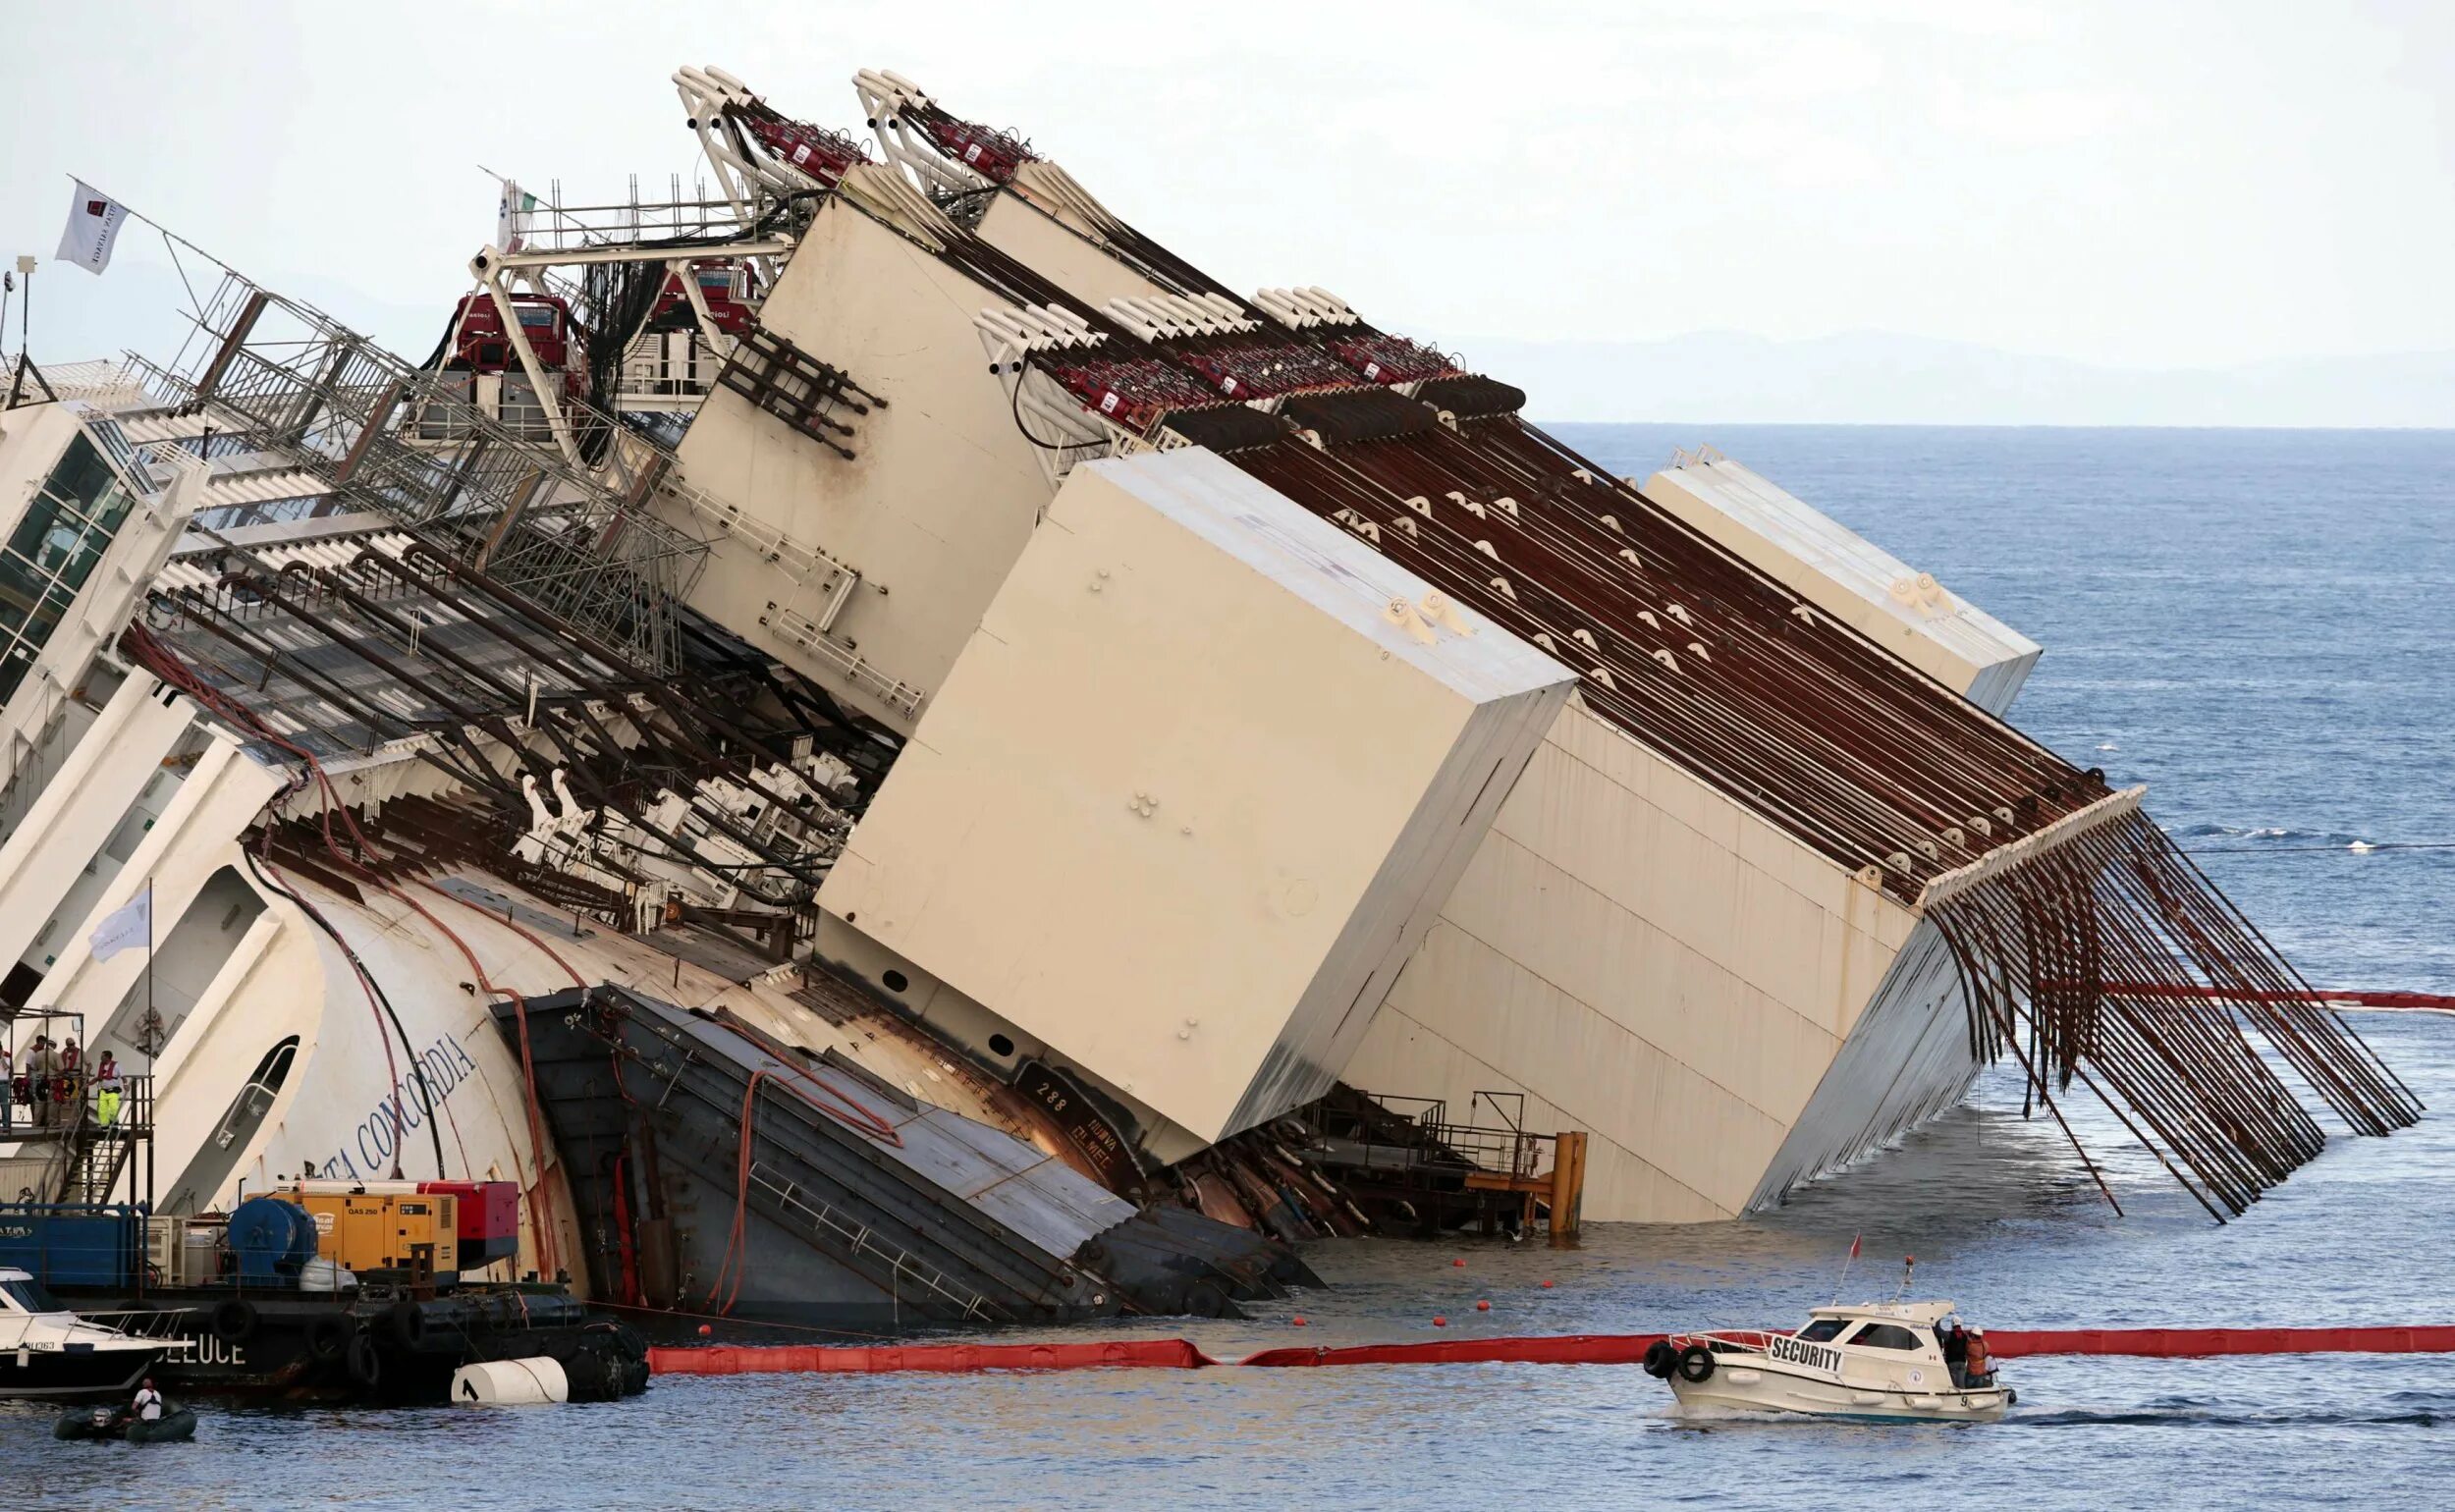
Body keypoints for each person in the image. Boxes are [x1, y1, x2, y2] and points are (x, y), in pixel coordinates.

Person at [1941, 1322, 1970, 1386]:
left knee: (1953, 1384)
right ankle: (1963, 1393)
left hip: (1952, 1362)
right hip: (1962, 1362)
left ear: (1952, 1326)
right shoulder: (1965, 1336)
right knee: (1961, 1383)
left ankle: (1954, 1394)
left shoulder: (1949, 1335)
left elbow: (1939, 1331)